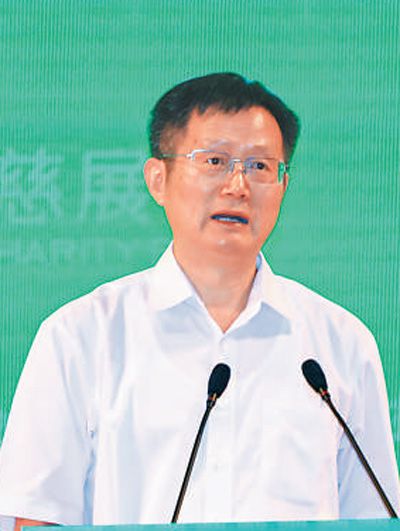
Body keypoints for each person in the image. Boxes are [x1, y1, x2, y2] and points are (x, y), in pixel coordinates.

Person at [0, 73, 399, 530]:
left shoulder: (341, 345)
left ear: (283, 186)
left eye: (260, 166)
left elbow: (375, 517)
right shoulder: (81, 336)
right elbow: (37, 518)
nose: (238, 185)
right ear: (158, 179)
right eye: (214, 161)